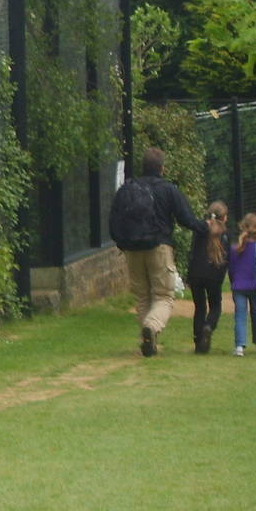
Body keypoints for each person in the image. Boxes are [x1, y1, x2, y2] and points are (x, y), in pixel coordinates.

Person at [109, 146, 209, 357]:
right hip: (159, 247)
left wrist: (122, 244)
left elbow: (113, 220)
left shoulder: (127, 188)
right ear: (162, 168)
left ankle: (149, 341)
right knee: (164, 296)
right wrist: (207, 228)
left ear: (142, 167)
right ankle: (152, 328)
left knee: (143, 297)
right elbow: (186, 219)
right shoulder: (168, 189)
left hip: (132, 249)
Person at [185, 201, 229, 353]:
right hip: (214, 275)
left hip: (196, 273)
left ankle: (198, 342)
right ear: (224, 218)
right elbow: (226, 258)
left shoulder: (200, 229)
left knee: (200, 307)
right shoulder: (225, 234)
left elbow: (192, 251)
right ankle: (208, 326)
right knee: (215, 305)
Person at [227, 212, 256, 355]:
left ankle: (239, 346)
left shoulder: (234, 248)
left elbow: (231, 269)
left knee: (240, 315)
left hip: (238, 286)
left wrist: (234, 282)